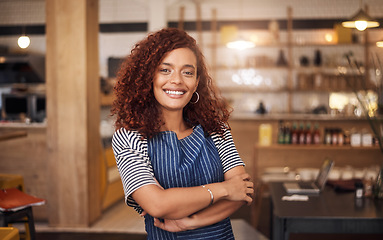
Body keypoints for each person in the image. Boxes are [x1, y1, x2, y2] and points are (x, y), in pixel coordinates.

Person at [111, 28, 254, 239]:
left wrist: (189, 222)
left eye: (187, 72)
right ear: (148, 77)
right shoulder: (130, 137)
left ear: (196, 82)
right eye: (165, 70)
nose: (177, 80)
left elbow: (243, 191)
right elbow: (157, 204)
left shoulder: (215, 129)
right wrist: (224, 189)